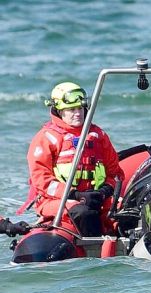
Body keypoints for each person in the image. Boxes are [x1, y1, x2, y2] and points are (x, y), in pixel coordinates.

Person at [26, 82, 123, 237]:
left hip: (96, 196)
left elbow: (115, 173)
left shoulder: (99, 136)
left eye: (80, 108)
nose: (77, 113)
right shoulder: (46, 138)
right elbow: (42, 181)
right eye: (71, 110)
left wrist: (104, 192)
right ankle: (95, 252)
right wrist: (76, 195)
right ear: (59, 111)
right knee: (83, 212)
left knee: (127, 211)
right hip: (57, 200)